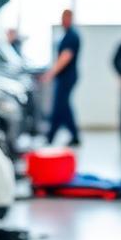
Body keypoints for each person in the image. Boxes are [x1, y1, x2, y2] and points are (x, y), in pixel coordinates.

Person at [42, 9, 81, 146]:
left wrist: (50, 73)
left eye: (64, 18)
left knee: (60, 106)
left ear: (70, 18)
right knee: (63, 106)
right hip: (65, 77)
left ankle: (51, 137)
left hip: (67, 77)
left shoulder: (72, 36)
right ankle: (72, 136)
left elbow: (65, 57)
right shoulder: (68, 35)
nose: (62, 21)